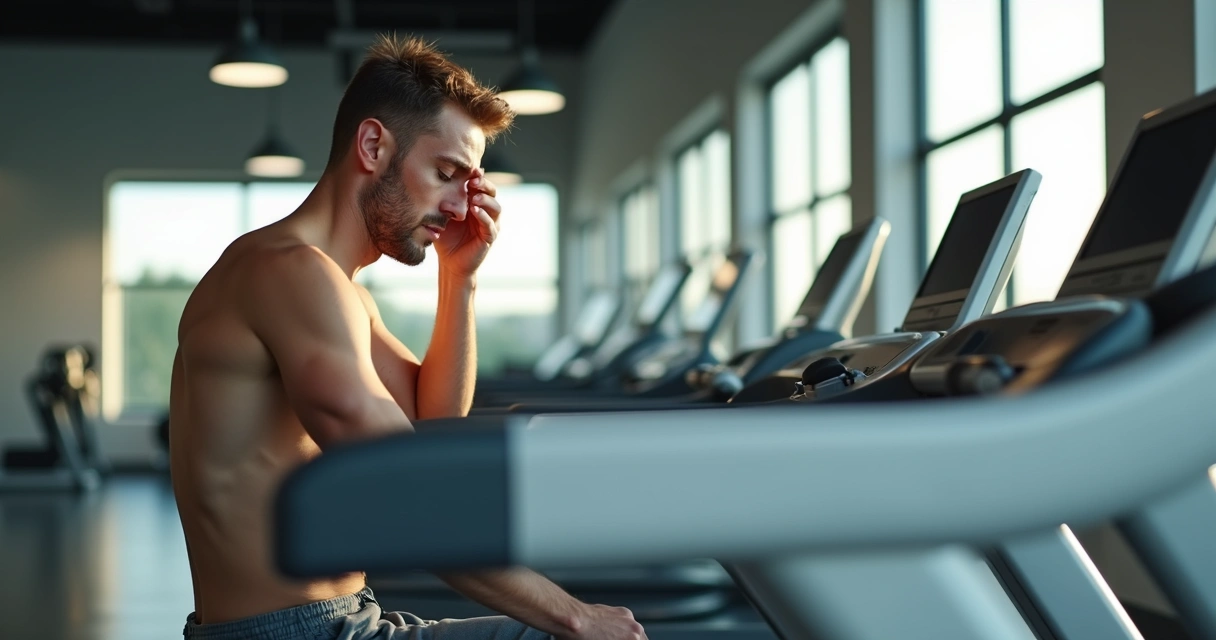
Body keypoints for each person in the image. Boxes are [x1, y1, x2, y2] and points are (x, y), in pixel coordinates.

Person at [169, 34, 647, 640]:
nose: (458, 205)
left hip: (343, 617)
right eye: (446, 173)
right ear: (373, 146)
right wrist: (575, 617)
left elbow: (430, 425)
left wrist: (459, 280)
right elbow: (406, 487)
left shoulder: (335, 289)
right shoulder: (288, 272)